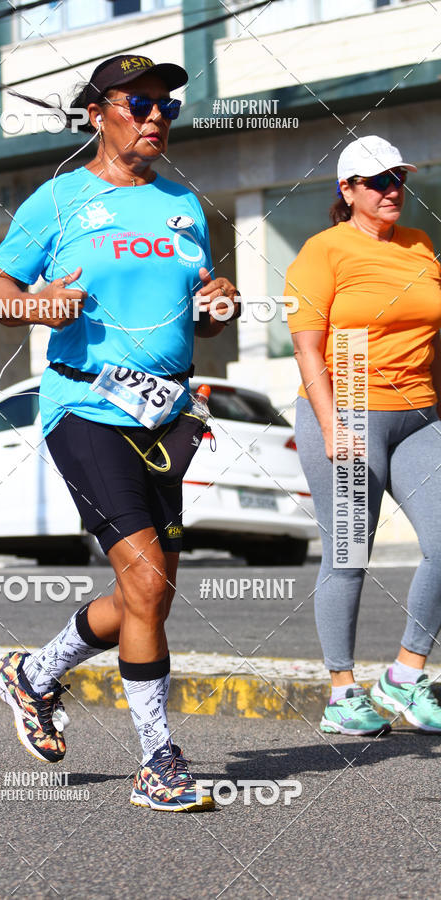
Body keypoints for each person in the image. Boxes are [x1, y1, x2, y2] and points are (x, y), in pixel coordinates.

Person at [0, 54, 240, 810]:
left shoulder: (183, 206)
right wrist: (34, 307)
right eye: (140, 101)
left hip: (166, 415)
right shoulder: (57, 201)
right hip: (84, 408)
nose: (158, 115)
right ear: (98, 113)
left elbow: (201, 321)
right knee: (147, 579)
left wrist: (216, 308)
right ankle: (158, 761)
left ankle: (33, 673)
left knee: (145, 597)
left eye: (168, 105)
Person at [285, 134, 441, 736]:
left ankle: (404, 676)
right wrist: (331, 424)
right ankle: (342, 692)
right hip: (348, 399)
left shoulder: (421, 245)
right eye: (376, 182)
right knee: (349, 553)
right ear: (346, 190)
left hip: (420, 411)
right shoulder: (323, 252)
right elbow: (307, 346)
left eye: (397, 178)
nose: (390, 191)